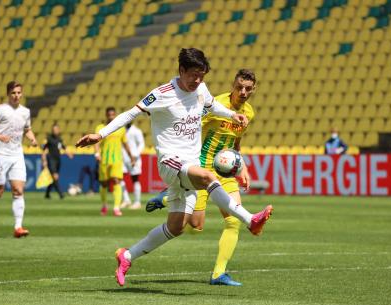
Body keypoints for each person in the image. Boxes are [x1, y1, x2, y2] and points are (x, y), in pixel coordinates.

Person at [76, 48, 272, 287]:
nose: (198, 81)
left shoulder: (200, 89)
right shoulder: (162, 94)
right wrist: (101, 134)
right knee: (208, 177)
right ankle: (251, 220)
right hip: (171, 161)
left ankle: (127, 256)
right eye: (193, 75)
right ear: (181, 70)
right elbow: (130, 113)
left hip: (190, 164)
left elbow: (212, 106)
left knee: (177, 226)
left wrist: (232, 115)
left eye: (202, 76)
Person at [146, 69, 257, 286]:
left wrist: (242, 167)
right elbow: (190, 127)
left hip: (225, 172)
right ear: (232, 85)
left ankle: (219, 273)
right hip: (201, 169)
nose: (243, 92)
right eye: (239, 87)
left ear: (254, 89)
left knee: (233, 221)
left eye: (248, 89)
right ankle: (168, 198)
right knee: (195, 226)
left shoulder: (249, 113)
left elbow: (235, 143)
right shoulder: (215, 105)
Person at [0, 81, 38, 238]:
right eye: (13, 93)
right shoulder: (0, 110)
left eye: (19, 92)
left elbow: (27, 129)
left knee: (18, 190)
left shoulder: (25, 112)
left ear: (22, 94)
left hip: (17, 155)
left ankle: (18, 227)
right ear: (8, 94)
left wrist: (32, 139)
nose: (16, 95)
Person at [95, 107, 135, 216]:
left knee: (117, 181)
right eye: (109, 115)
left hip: (117, 159)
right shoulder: (100, 128)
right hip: (104, 159)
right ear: (106, 115)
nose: (111, 117)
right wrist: (97, 153)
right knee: (104, 184)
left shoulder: (120, 129)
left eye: (113, 114)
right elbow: (97, 143)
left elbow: (125, 144)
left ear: (115, 115)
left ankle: (116, 207)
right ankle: (104, 205)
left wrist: (131, 157)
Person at [42, 123, 73, 199]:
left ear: (58, 130)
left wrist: (68, 153)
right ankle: (61, 194)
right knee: (55, 177)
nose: (55, 131)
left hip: (58, 160)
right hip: (51, 160)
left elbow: (63, 147)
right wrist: (44, 160)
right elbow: (44, 150)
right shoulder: (49, 139)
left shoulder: (59, 139)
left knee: (54, 178)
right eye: (54, 130)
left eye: (56, 129)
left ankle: (47, 194)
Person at [120, 122, 145, 209]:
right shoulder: (121, 130)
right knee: (119, 178)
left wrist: (135, 155)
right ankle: (126, 200)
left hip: (134, 159)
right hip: (123, 158)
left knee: (135, 179)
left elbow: (141, 144)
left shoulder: (136, 131)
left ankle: (137, 202)